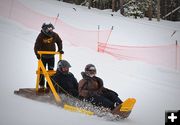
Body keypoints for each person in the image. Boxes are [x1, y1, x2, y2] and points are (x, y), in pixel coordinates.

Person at [34, 23, 63, 89]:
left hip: (51, 57)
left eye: (51, 29)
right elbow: (36, 45)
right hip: (43, 57)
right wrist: (37, 54)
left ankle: (49, 86)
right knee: (42, 72)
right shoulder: (41, 36)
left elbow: (59, 41)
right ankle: (41, 85)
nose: (50, 31)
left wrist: (60, 49)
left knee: (51, 71)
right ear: (44, 29)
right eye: (48, 29)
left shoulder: (54, 35)